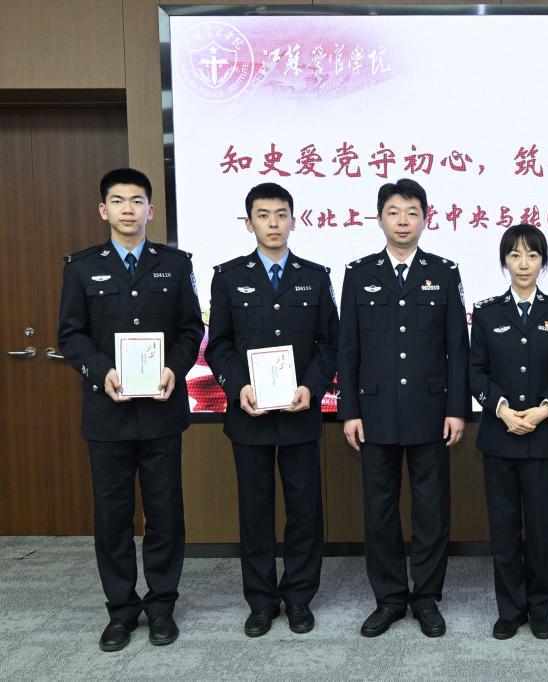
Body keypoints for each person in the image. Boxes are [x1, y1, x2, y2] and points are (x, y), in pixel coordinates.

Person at [57, 168, 203, 651]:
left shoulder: (175, 265)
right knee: (112, 517)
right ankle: (120, 610)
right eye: (118, 201)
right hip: (108, 413)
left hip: (161, 411)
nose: (127, 209)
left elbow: (191, 330)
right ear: (104, 210)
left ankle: (162, 607)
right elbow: (71, 335)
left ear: (150, 210)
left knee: (165, 513)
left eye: (137, 201)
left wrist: (175, 369)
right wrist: (101, 371)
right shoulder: (81, 268)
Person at [337, 178, 470, 638]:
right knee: (380, 512)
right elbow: (348, 348)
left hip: (431, 411)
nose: (403, 221)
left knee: (431, 510)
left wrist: (457, 409)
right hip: (374, 413)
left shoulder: (444, 272)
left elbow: (457, 346)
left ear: (425, 219)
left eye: (412, 213)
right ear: (380, 219)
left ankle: (426, 597)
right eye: (394, 212)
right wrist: (350, 411)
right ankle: (390, 598)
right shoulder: (359, 273)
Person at [205, 183, 339, 637]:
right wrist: (237, 387)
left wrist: (312, 387)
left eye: (281, 214)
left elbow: (330, 344)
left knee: (304, 510)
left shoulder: (315, 277)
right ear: (249, 223)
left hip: (300, 414)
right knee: (255, 511)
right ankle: (261, 602)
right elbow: (218, 344)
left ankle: (299, 597)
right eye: (263, 215)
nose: (274, 223)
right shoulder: (228, 277)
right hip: (250, 416)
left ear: (294, 221)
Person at [469, 224, 548, 640]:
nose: (524, 263)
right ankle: (510, 609)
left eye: (532, 255)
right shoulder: (486, 313)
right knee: (504, 528)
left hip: (543, 437)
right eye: (515, 255)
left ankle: (540, 606)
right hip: (499, 438)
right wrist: (501, 408)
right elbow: (475, 371)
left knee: (541, 529)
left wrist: (544, 409)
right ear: (504, 261)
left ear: (543, 262)